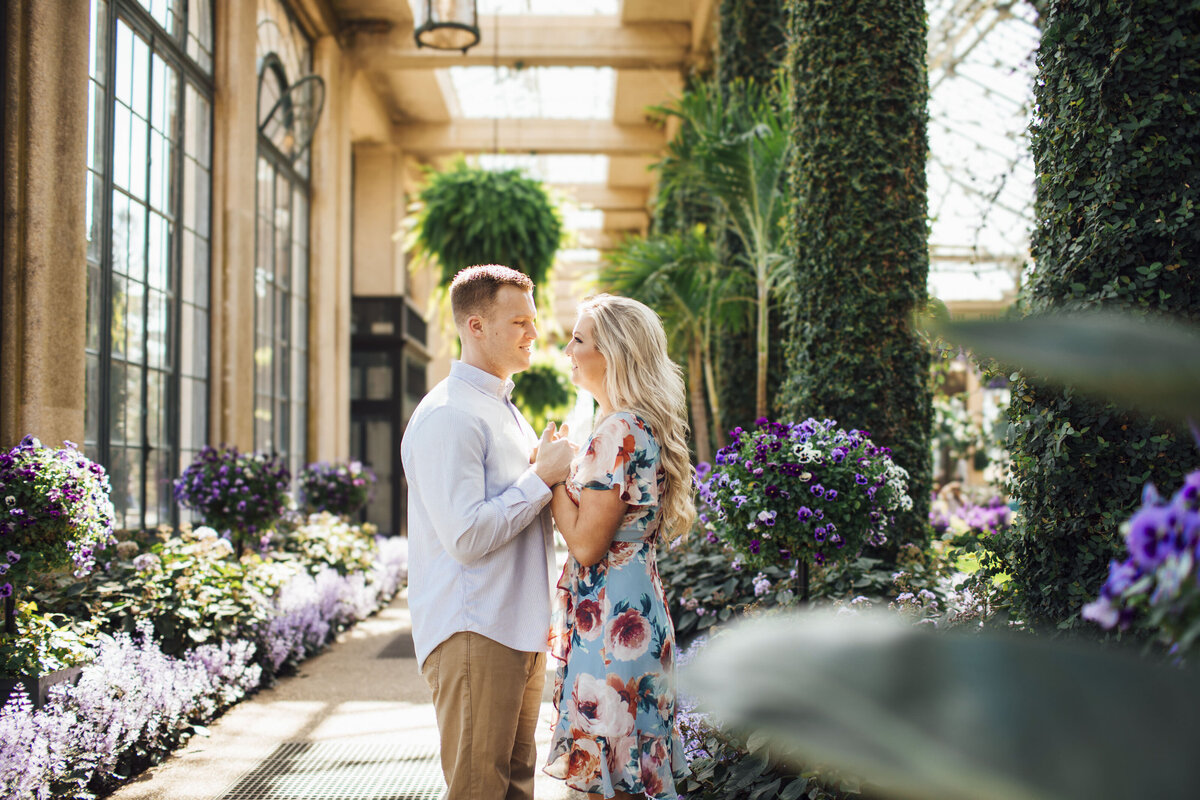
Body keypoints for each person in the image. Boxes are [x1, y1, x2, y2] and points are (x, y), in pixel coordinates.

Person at [401, 264, 575, 800]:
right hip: (474, 631)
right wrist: (541, 477)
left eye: (533, 320)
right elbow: (467, 537)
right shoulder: (450, 416)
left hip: (517, 629)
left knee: (515, 789)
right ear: (475, 326)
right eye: (519, 321)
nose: (533, 333)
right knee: (480, 790)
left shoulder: (503, 410)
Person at [544, 294, 694, 799]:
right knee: (631, 777)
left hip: (611, 624)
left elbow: (587, 546)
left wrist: (549, 479)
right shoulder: (638, 424)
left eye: (579, 339)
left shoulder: (617, 431)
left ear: (613, 354)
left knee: (609, 785)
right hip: (636, 611)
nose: (568, 349)